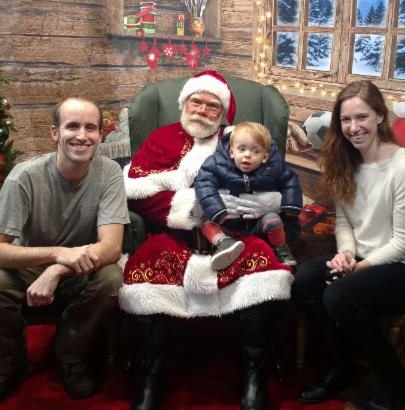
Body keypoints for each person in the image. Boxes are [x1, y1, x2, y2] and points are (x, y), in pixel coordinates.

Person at [120, 71, 293, 410]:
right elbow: (137, 193)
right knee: (143, 269)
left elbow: (274, 181)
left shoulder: (240, 139)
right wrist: (193, 207)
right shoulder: (161, 139)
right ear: (183, 104)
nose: (201, 110)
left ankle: (253, 373)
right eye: (195, 102)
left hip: (237, 233)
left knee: (264, 266)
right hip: (173, 235)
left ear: (223, 113)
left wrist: (243, 206)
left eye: (212, 106)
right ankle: (150, 374)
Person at [0, 98, 129, 409]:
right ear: (55, 133)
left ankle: (71, 355)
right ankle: (6, 367)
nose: (82, 135)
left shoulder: (109, 173)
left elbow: (111, 247)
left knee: (111, 278)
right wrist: (57, 255)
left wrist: (58, 269)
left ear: (101, 134)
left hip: (82, 266)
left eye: (90, 128)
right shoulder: (24, 177)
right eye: (72, 126)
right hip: (35, 260)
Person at [292, 81, 405, 410]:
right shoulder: (344, 162)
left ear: (380, 116)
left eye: (362, 117)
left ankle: (393, 380)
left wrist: (359, 267)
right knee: (304, 279)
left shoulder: (404, 165)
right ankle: (341, 365)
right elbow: (344, 222)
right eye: (346, 119)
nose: (354, 127)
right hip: (361, 257)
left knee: (339, 295)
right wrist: (345, 253)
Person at [195, 121, 303, 270]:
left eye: (256, 151)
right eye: (241, 149)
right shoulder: (215, 163)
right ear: (232, 152)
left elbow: (290, 180)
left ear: (265, 157)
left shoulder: (274, 166)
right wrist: (217, 210)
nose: (247, 155)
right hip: (228, 222)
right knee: (206, 223)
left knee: (273, 219)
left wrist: (290, 206)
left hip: (257, 223)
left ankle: (281, 249)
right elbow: (204, 183)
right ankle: (224, 243)